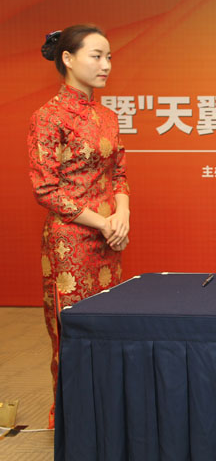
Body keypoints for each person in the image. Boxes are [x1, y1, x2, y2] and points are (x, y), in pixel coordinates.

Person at [28, 25, 130, 427]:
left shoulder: (108, 116)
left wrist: (121, 215)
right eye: (96, 56)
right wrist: (101, 221)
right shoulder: (47, 117)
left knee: (110, 326)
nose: (106, 65)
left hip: (109, 239)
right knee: (71, 330)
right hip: (70, 244)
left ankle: (108, 412)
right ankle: (73, 419)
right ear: (68, 59)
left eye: (109, 57)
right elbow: (46, 190)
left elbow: (119, 174)